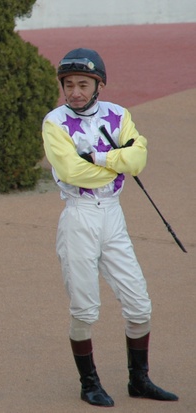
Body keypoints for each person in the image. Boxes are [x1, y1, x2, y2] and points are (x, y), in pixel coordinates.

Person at [42, 48, 178, 407]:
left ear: (98, 85)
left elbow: (139, 158)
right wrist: (120, 163)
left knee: (140, 306)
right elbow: (71, 172)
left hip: (113, 217)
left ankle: (139, 380)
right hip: (79, 216)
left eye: (83, 85)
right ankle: (89, 384)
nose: (74, 92)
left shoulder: (119, 114)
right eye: (68, 85)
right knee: (85, 309)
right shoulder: (54, 122)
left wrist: (100, 158)